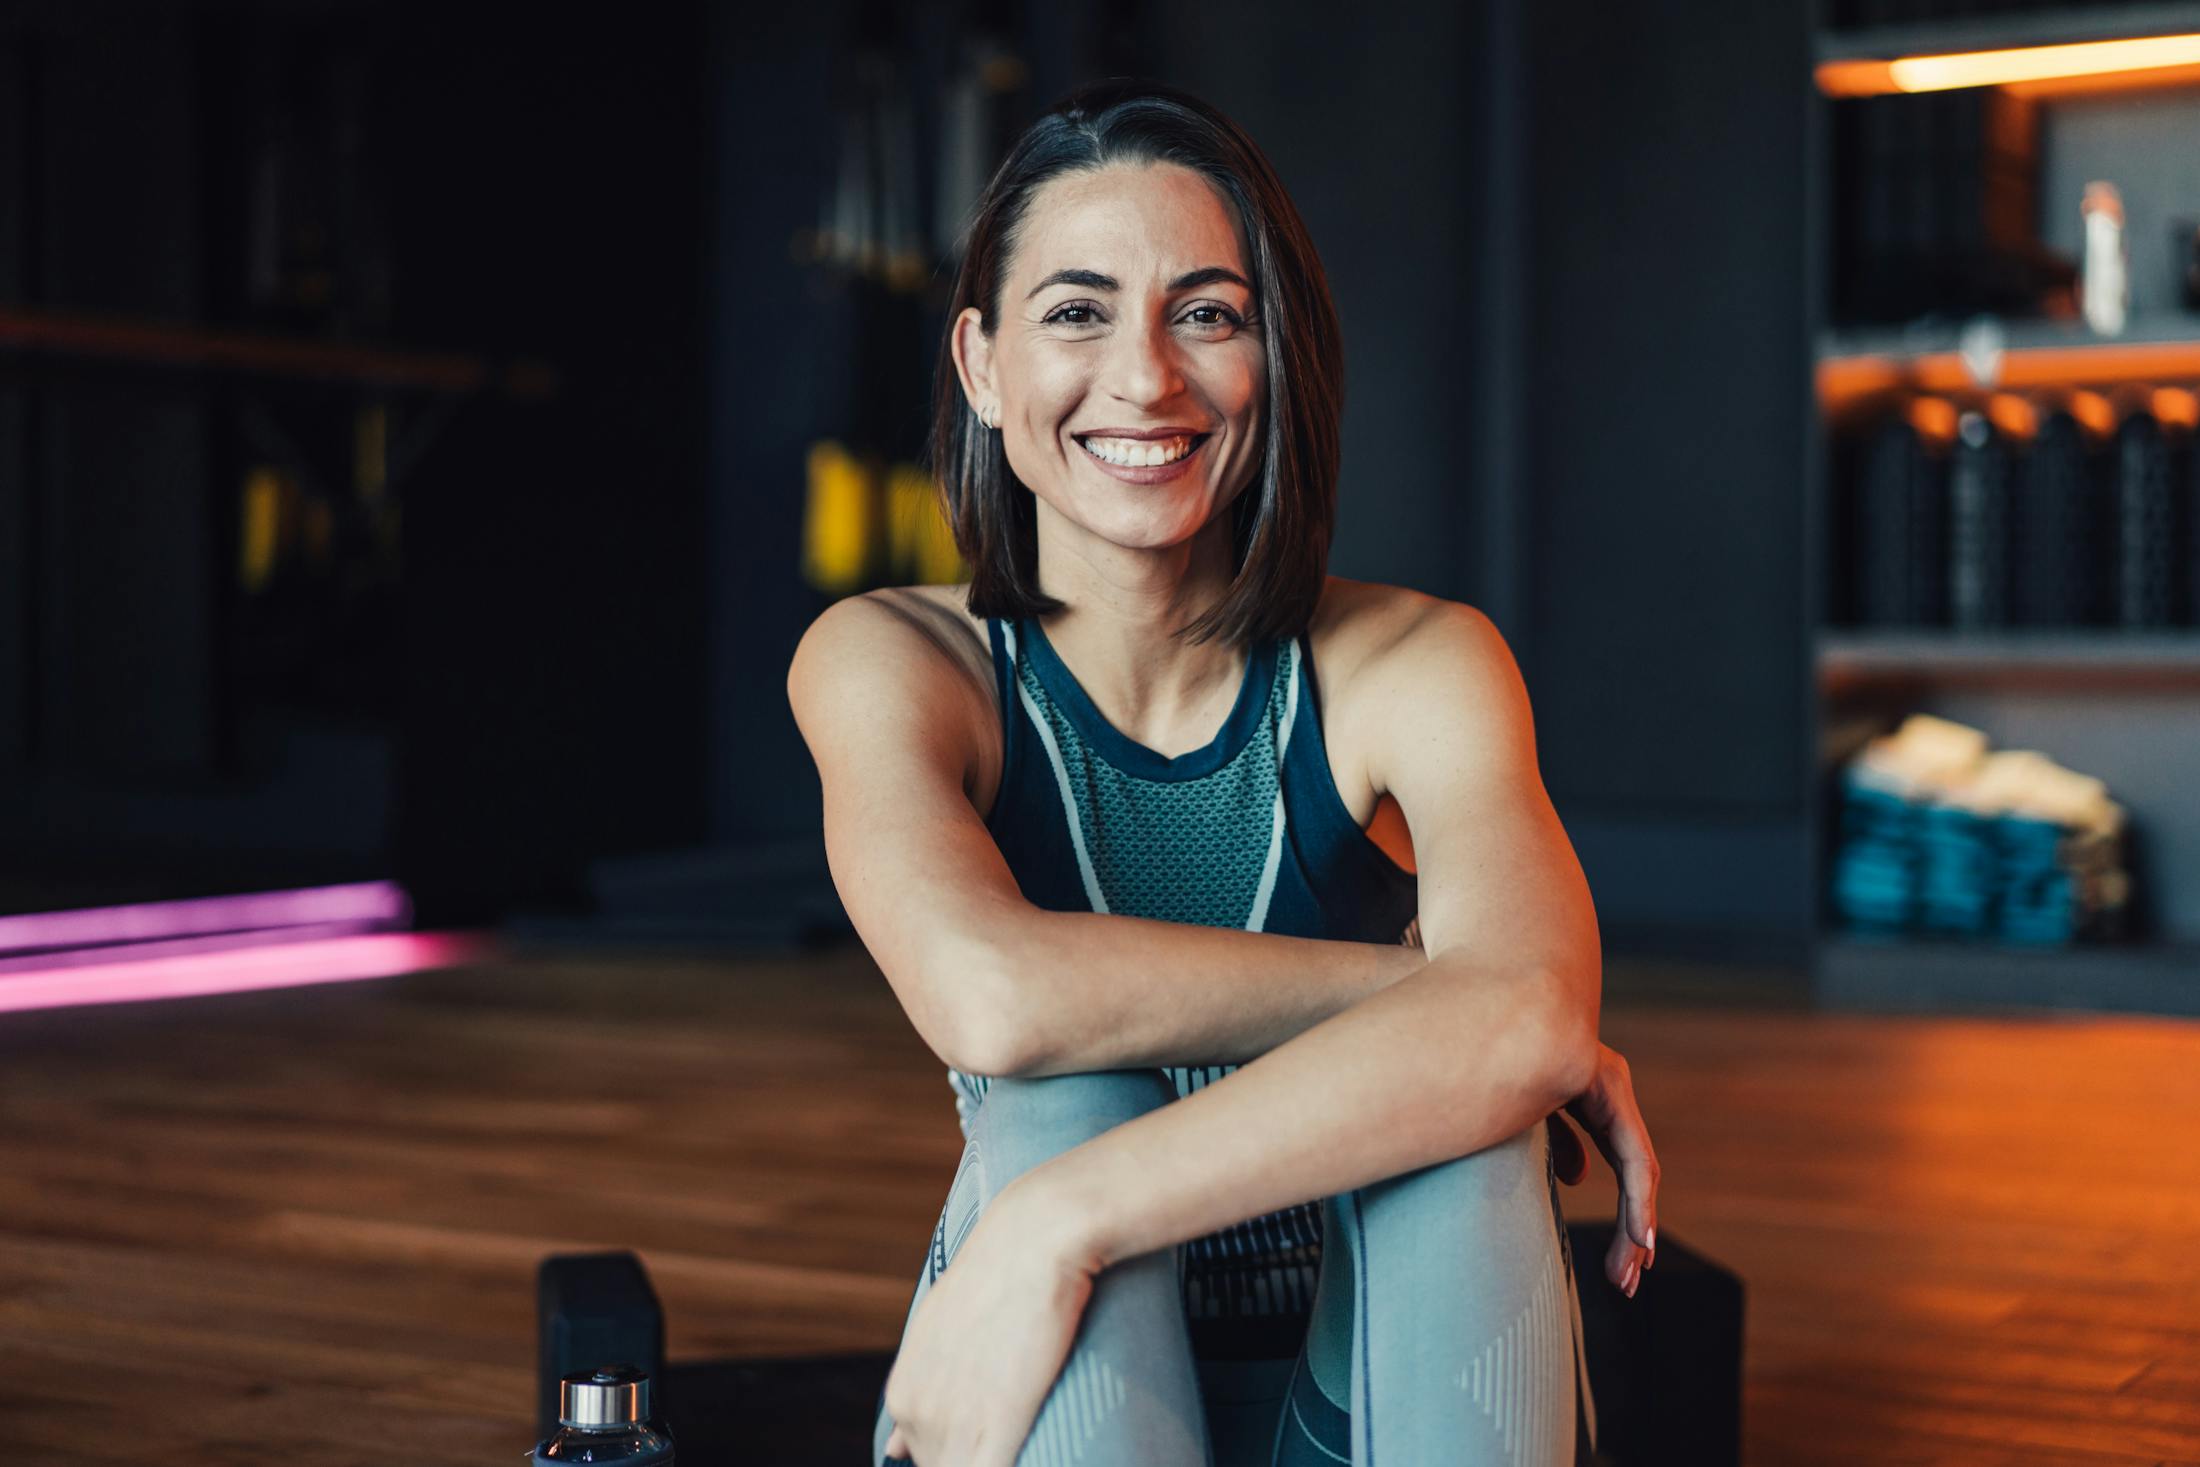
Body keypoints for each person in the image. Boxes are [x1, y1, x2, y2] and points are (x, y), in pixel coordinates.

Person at [787, 76, 1662, 1467]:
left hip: (1381, 1370)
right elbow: (994, 998)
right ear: (982, 364)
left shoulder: (1420, 661)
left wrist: (1063, 1227)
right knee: (1066, 1091)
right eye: (1076, 311)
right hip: (1063, 1385)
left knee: (1476, 1136)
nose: (1145, 375)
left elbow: (1528, 1019)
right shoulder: (891, 657)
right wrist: (1457, 1004)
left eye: (1207, 312)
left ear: (1277, 356)